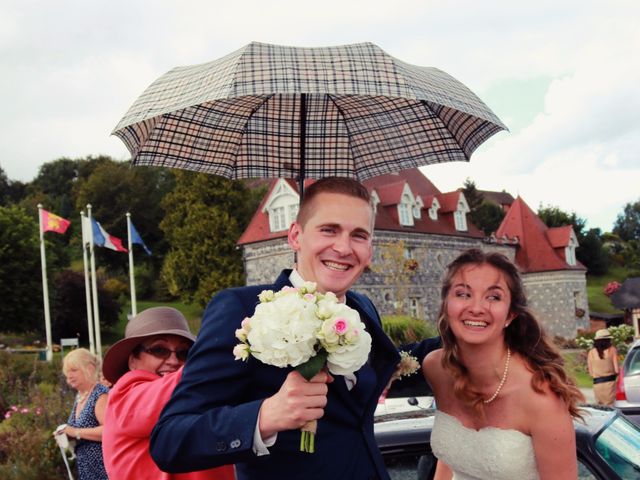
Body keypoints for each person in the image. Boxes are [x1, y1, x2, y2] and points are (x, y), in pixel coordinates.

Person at [150, 177, 440, 480]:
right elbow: (170, 440)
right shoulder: (240, 310)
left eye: (359, 235)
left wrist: (469, 335)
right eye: (329, 230)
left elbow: (390, 365)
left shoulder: (362, 308)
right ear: (295, 236)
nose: (343, 247)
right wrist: (265, 416)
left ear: (369, 248)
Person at [422, 249, 584, 480]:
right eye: (463, 294)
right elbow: (450, 461)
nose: (476, 308)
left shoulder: (540, 398)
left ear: (510, 315)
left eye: (493, 297)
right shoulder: (436, 368)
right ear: (446, 305)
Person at [101, 306, 235, 480]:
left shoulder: (198, 390)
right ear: (133, 361)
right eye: (159, 350)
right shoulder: (125, 392)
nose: (173, 361)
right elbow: (179, 391)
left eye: (183, 353)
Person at [58, 348, 109, 480]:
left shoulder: (99, 393)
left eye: (74, 370)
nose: (68, 376)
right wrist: (65, 435)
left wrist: (74, 432)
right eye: (67, 372)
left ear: (90, 369)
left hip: (102, 466)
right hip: (86, 467)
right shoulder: (80, 396)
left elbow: (108, 431)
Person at [587, 328, 619, 406]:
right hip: (609, 384)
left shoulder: (591, 353)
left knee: (601, 409)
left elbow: (591, 373)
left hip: (597, 385)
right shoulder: (612, 350)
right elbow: (616, 370)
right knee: (610, 407)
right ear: (608, 340)